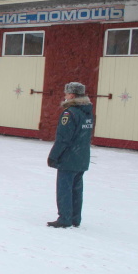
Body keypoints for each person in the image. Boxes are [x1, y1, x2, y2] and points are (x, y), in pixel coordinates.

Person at [47, 82, 94, 228]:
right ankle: (75, 218)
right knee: (76, 189)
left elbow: (63, 138)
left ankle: (64, 218)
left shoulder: (70, 113)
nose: (65, 96)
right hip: (82, 157)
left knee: (64, 188)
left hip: (69, 158)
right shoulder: (88, 112)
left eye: (66, 93)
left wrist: (53, 156)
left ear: (72, 95)